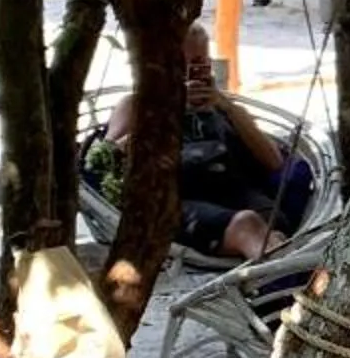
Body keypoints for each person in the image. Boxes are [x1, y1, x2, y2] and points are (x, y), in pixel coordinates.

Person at [103, 28, 304, 260]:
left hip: (236, 195)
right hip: (177, 204)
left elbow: (274, 161)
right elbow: (105, 158)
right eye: (180, 66)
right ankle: (283, 285)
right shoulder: (137, 105)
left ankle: (282, 285)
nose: (189, 74)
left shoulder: (224, 107)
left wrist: (226, 106)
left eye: (198, 64)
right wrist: (168, 113)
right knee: (247, 225)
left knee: (273, 230)